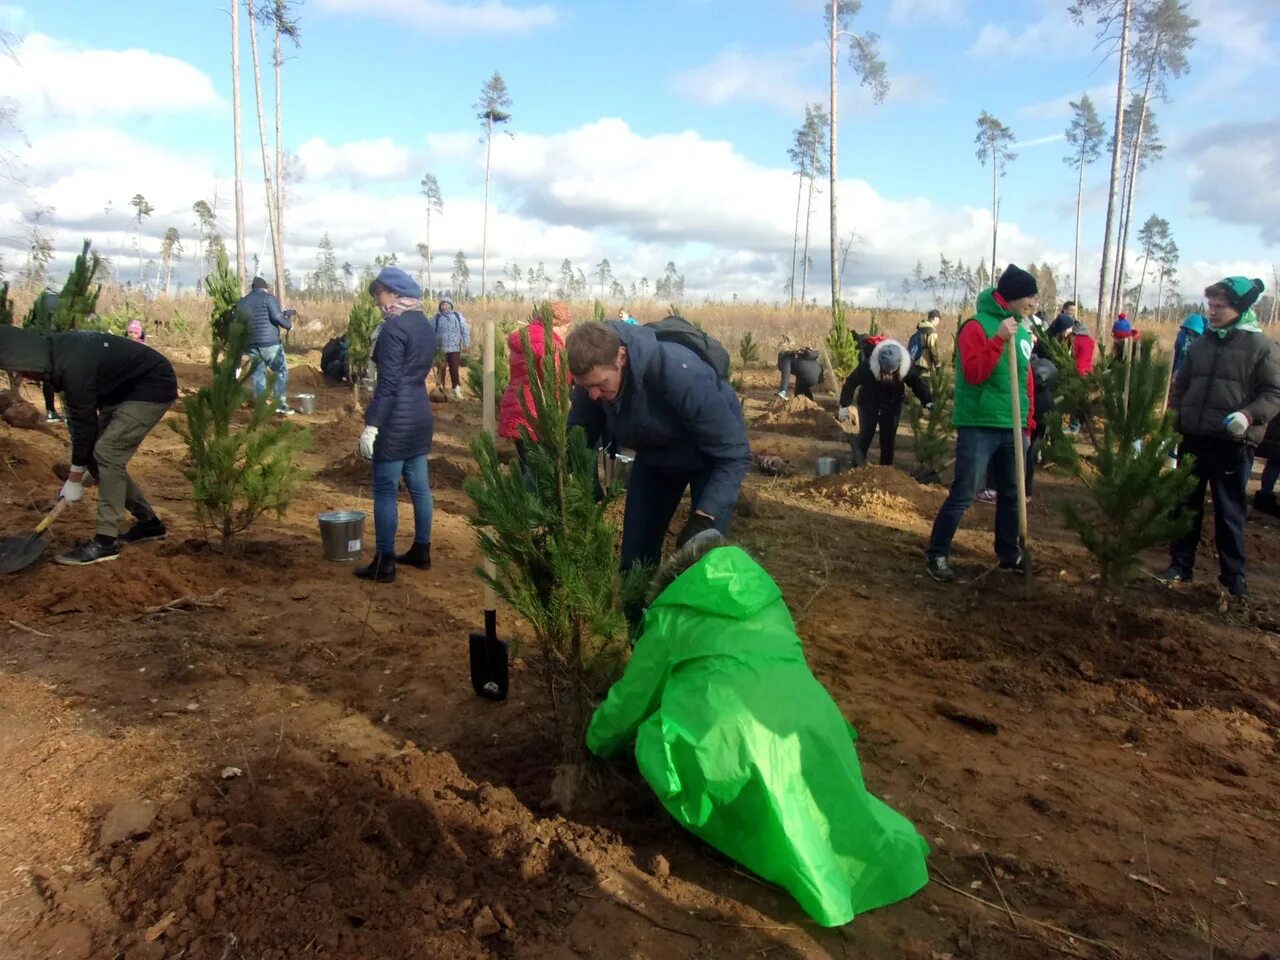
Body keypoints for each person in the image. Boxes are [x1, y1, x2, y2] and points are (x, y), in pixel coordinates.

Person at [587, 538, 930, 927]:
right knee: (815, 808)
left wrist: (595, 741)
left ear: (672, 581)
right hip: (814, 730)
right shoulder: (770, 602)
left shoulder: (672, 615)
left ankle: (730, 831)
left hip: (739, 747)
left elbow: (631, 700)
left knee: (653, 733)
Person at [565, 320, 751, 597]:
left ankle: (698, 635)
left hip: (710, 458)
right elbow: (580, 436)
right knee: (635, 563)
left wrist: (704, 516)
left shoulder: (678, 373)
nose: (593, 394)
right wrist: (583, 482)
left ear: (621, 357)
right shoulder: (590, 384)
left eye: (600, 385)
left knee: (702, 562)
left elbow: (734, 453)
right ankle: (641, 635)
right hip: (655, 456)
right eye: (585, 387)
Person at [0, 325, 177, 565]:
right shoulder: (54, 357)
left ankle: (105, 543)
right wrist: (79, 470)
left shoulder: (71, 367)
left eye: (22, 371)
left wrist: (74, 479)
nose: (23, 377)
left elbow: (85, 424)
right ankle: (150, 524)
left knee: (107, 454)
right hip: (119, 392)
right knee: (96, 458)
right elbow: (82, 424)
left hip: (151, 386)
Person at [1158, 277, 1280, 599]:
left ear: (1239, 308)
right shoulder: (1201, 343)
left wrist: (1248, 415)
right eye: (1210, 305)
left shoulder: (1261, 347)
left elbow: (1274, 393)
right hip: (1194, 436)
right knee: (1185, 505)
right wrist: (1173, 421)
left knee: (1229, 510)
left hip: (1233, 442)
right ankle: (1180, 565)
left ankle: (1233, 576)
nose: (1211, 312)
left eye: (1219, 307)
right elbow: (1181, 387)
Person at [925, 264, 1037, 583]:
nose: (1033, 302)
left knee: (1013, 493)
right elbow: (974, 374)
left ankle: (1008, 552)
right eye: (1029, 295)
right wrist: (999, 339)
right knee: (965, 491)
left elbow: (1025, 380)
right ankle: (938, 553)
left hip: (1013, 426)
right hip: (979, 423)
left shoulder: (1024, 330)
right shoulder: (977, 327)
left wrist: (1027, 422)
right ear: (1012, 296)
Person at [355, 267, 436, 583]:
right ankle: (422, 550)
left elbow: (387, 384)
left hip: (395, 416)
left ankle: (384, 562)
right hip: (419, 411)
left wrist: (372, 424)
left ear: (393, 293)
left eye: (378, 294)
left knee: (385, 489)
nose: (377, 301)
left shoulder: (393, 330)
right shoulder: (424, 325)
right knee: (419, 486)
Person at [500, 301, 572, 476]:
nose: (566, 333)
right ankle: (530, 502)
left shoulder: (525, 337)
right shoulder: (548, 344)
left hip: (516, 408)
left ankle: (525, 499)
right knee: (539, 474)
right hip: (538, 415)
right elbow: (558, 381)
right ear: (556, 324)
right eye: (565, 328)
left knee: (528, 465)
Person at [837, 339, 931, 467]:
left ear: (899, 365)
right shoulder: (868, 367)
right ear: (880, 364)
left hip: (892, 405)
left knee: (888, 441)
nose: (889, 374)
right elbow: (851, 382)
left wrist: (928, 400)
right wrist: (844, 405)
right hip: (868, 403)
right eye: (886, 371)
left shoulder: (907, 367)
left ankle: (886, 471)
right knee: (865, 436)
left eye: (892, 371)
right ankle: (856, 468)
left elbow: (917, 383)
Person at [235, 276, 293, 415]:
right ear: (265, 288)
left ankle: (260, 405)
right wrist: (289, 323)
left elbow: (239, 324)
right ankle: (280, 404)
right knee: (281, 370)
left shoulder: (242, 303)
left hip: (251, 344)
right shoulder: (269, 298)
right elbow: (277, 318)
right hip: (270, 343)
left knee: (258, 373)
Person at [432, 296, 470, 400]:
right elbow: (431, 332)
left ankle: (456, 390)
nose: (444, 307)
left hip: (454, 348)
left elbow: (464, 329)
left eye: (447, 305)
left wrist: (466, 342)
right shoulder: (437, 317)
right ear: (440, 307)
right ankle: (440, 390)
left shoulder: (457, 316)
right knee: (441, 370)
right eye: (442, 305)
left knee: (454, 369)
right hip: (441, 349)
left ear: (451, 306)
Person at [1171, 312, 1205, 380]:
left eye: (1193, 331)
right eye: (1189, 329)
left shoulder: (1202, 341)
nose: (1191, 332)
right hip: (1179, 368)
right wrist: (1173, 370)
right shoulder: (1182, 335)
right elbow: (1176, 353)